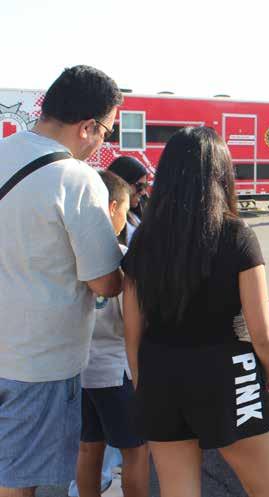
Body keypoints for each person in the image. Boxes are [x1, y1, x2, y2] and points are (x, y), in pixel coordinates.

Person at [123, 127, 269, 497]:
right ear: (222, 174)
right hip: (227, 370)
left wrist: (140, 378)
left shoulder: (144, 240)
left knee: (177, 489)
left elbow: (132, 327)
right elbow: (261, 329)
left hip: (160, 371)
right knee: (268, 491)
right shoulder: (236, 235)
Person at [0, 65, 123, 497]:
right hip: (37, 363)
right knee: (19, 484)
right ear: (87, 126)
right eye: (106, 132)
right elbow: (105, 282)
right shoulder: (77, 179)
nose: (102, 142)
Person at [74, 171, 149, 497]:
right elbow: (133, 325)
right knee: (136, 451)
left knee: (89, 447)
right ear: (113, 207)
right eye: (125, 210)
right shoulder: (120, 257)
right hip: (116, 370)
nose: (125, 219)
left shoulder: (70, 252)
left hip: (79, 369)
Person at [108, 156, 148, 243]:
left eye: (145, 186)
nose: (143, 192)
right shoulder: (105, 219)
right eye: (139, 186)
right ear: (121, 182)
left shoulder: (140, 214)